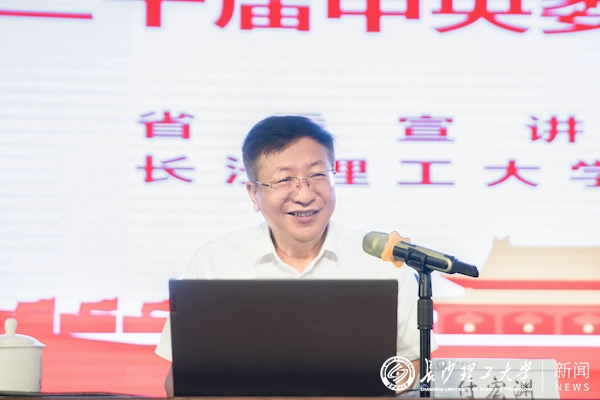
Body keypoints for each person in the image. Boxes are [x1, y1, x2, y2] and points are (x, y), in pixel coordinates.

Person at [155, 115, 436, 396]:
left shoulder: (382, 260)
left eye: (317, 175)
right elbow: (178, 382)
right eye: (284, 179)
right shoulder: (215, 262)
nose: (304, 195)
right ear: (253, 193)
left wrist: (362, 387)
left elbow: (416, 363)